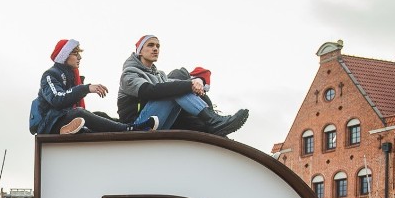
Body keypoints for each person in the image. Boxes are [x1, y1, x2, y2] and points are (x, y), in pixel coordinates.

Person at [117, 34, 248, 135]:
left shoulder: (159, 75)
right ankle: (213, 121)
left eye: (158, 46)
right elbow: (148, 91)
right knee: (175, 90)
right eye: (150, 45)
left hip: (156, 123)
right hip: (135, 126)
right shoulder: (129, 74)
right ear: (140, 51)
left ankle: (213, 121)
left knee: (178, 88)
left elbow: (173, 85)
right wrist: (189, 84)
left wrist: (195, 84)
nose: (155, 49)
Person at [29, 38, 158, 135]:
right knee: (79, 113)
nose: (79, 57)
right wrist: (86, 88)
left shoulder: (72, 77)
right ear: (64, 56)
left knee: (99, 114)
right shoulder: (50, 75)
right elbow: (57, 99)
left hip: (62, 118)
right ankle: (130, 129)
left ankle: (131, 125)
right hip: (49, 124)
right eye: (75, 53)